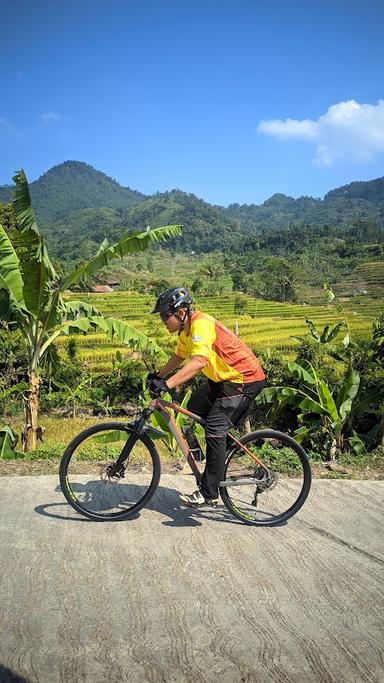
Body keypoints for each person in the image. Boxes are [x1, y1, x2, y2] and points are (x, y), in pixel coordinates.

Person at [146, 286, 266, 508]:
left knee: (214, 428)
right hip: (224, 380)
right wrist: (159, 376)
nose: (163, 322)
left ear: (180, 313)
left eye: (165, 316)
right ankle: (226, 450)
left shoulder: (201, 323)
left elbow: (199, 361)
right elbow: (180, 355)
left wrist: (167, 384)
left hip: (244, 379)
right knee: (193, 406)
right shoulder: (186, 330)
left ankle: (209, 492)